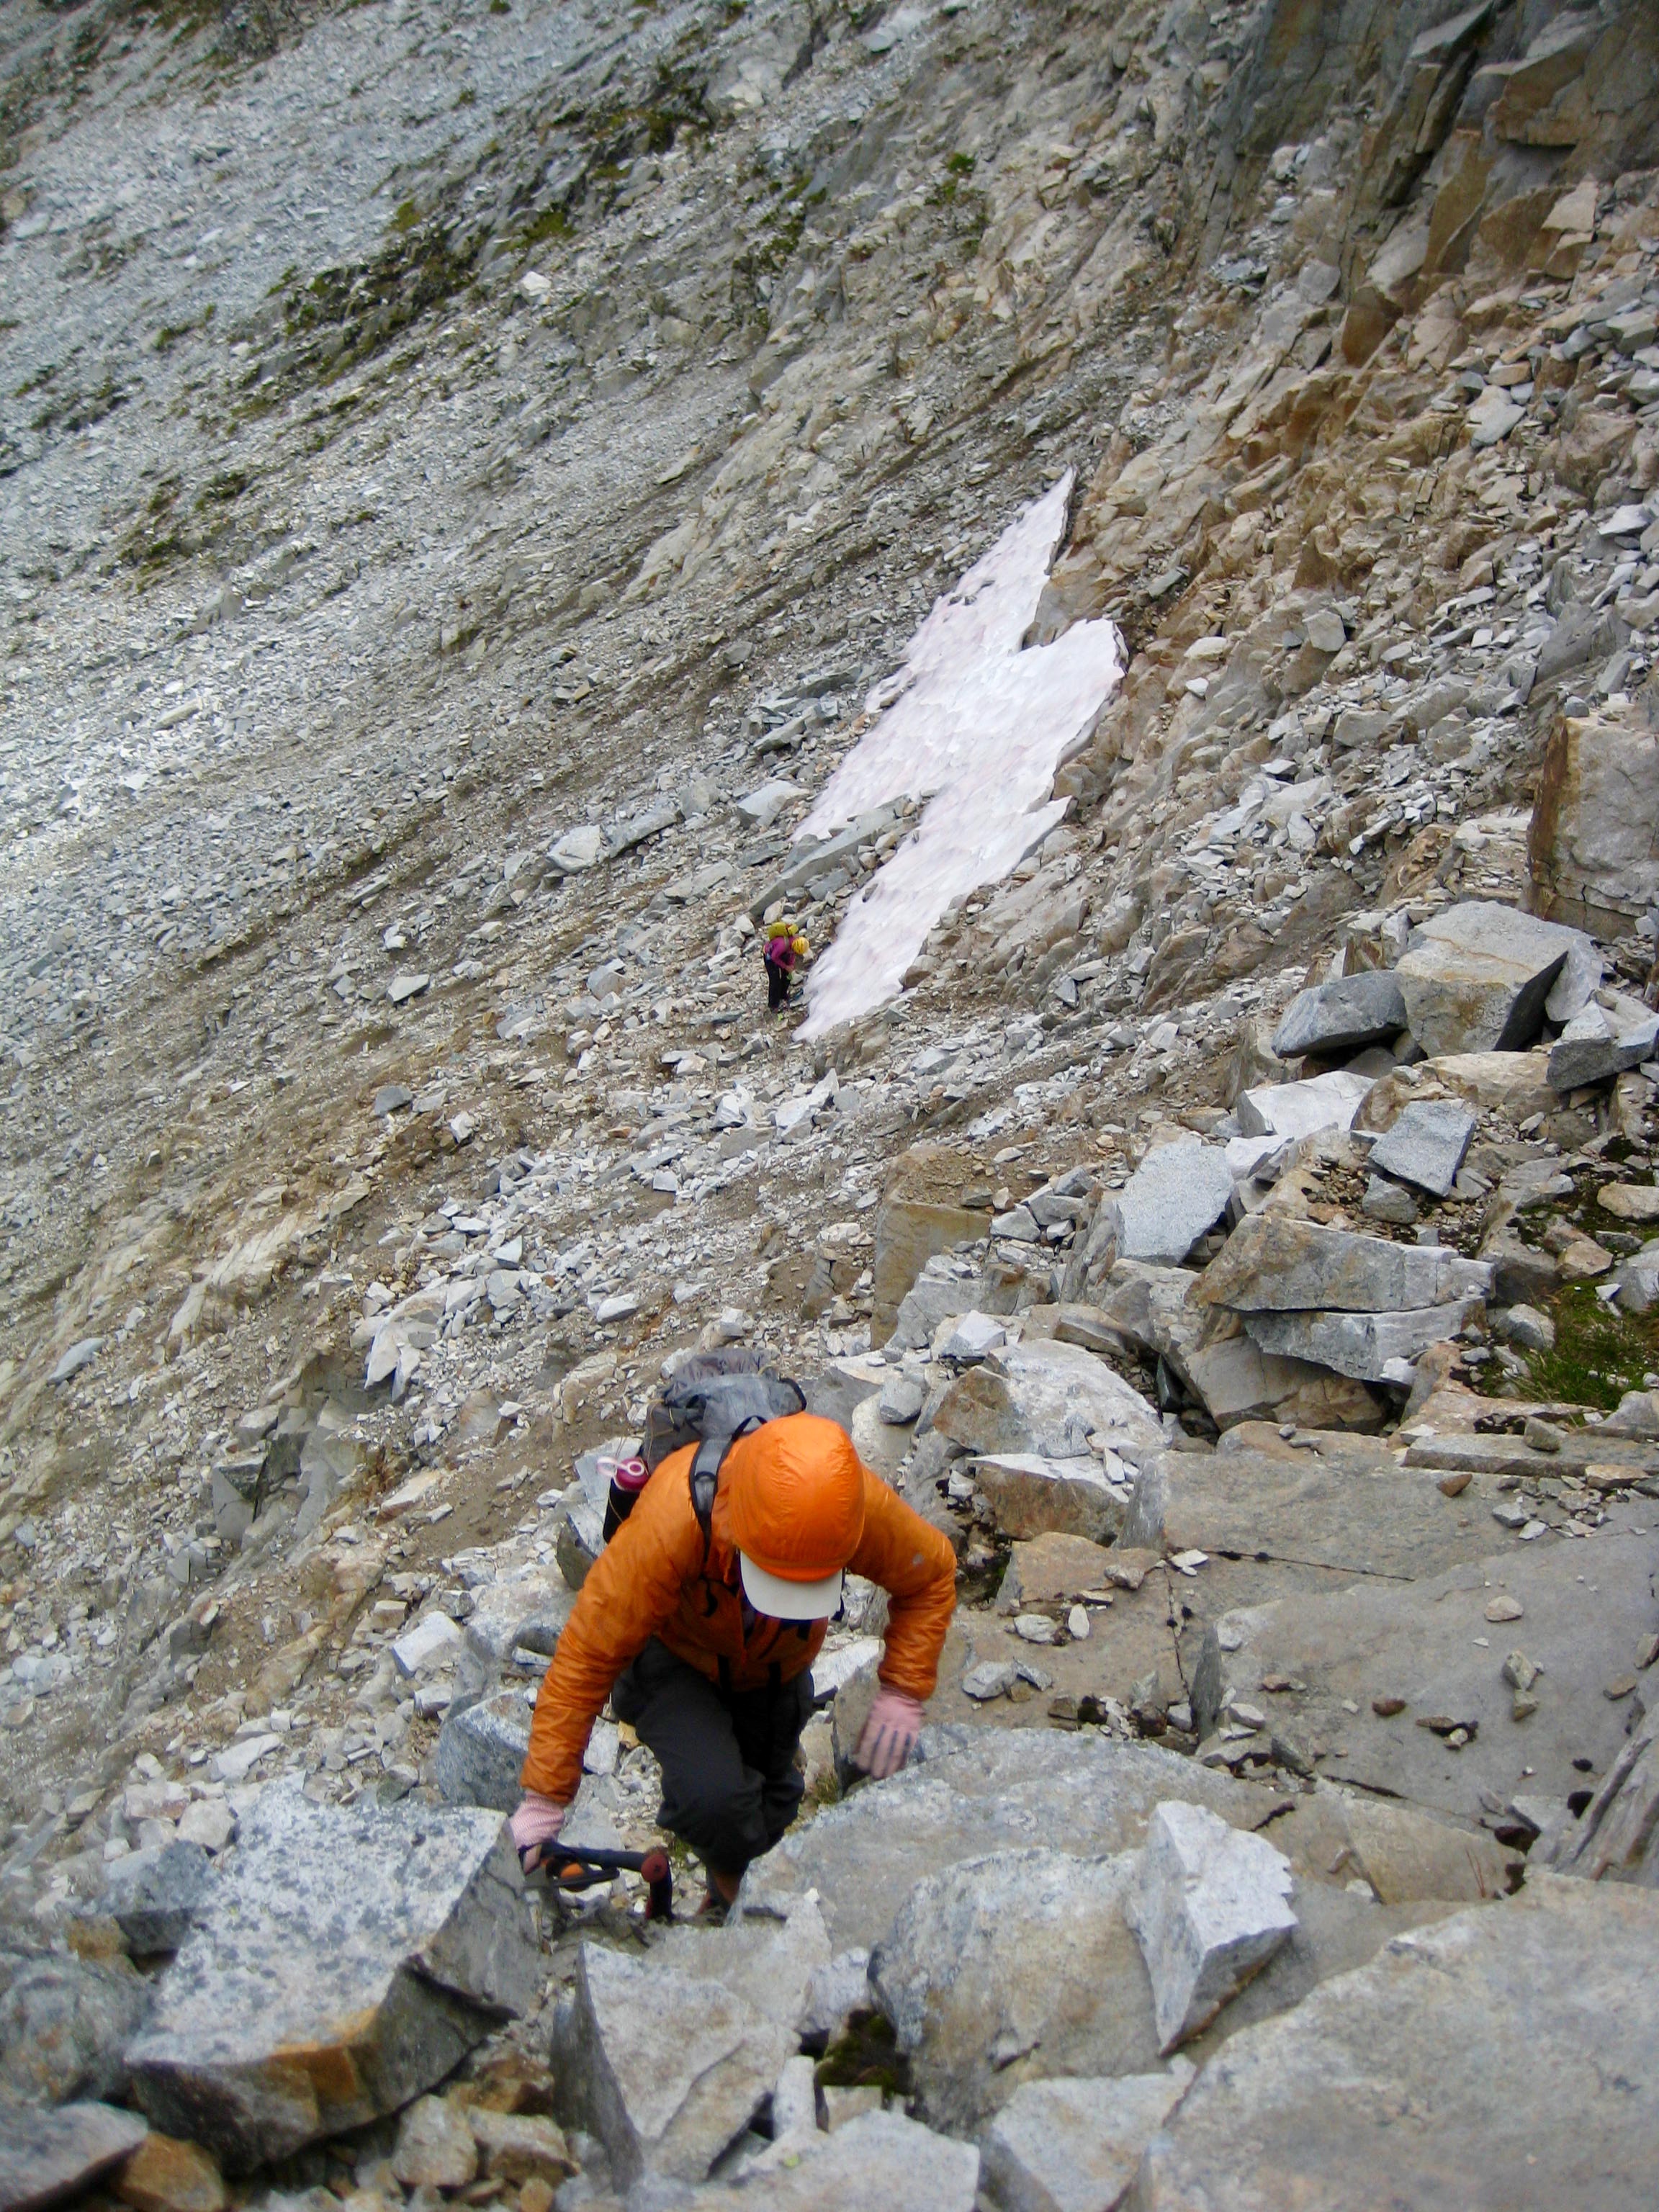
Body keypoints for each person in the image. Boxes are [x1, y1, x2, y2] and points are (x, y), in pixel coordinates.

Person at [508, 1411, 957, 1906]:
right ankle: (738, 1903)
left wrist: (903, 1689)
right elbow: (587, 1653)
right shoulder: (673, 1516)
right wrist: (543, 1802)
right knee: (715, 1802)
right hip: (676, 1660)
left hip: (774, 1669)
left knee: (773, 1809)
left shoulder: (846, 1507)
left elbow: (930, 1576)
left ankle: (729, 1902)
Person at [762, 922, 809, 1012]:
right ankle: (773, 1004)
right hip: (770, 956)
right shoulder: (783, 945)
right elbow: (774, 957)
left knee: (788, 976)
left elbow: (792, 955)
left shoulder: (795, 943)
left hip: (782, 954)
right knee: (775, 980)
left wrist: (790, 966)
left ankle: (783, 995)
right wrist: (785, 966)